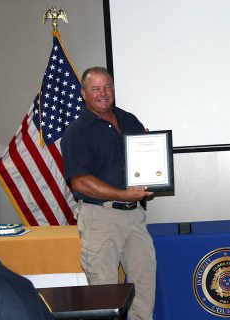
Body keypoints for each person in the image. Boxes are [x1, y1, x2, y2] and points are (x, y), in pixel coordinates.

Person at [61, 67, 156, 320]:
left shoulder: (129, 120)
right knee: (104, 296)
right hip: (100, 219)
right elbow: (79, 182)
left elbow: (144, 162)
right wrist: (123, 195)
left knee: (144, 289)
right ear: (83, 94)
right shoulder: (77, 131)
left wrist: (152, 159)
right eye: (96, 89)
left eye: (108, 87)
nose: (103, 93)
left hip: (135, 217)